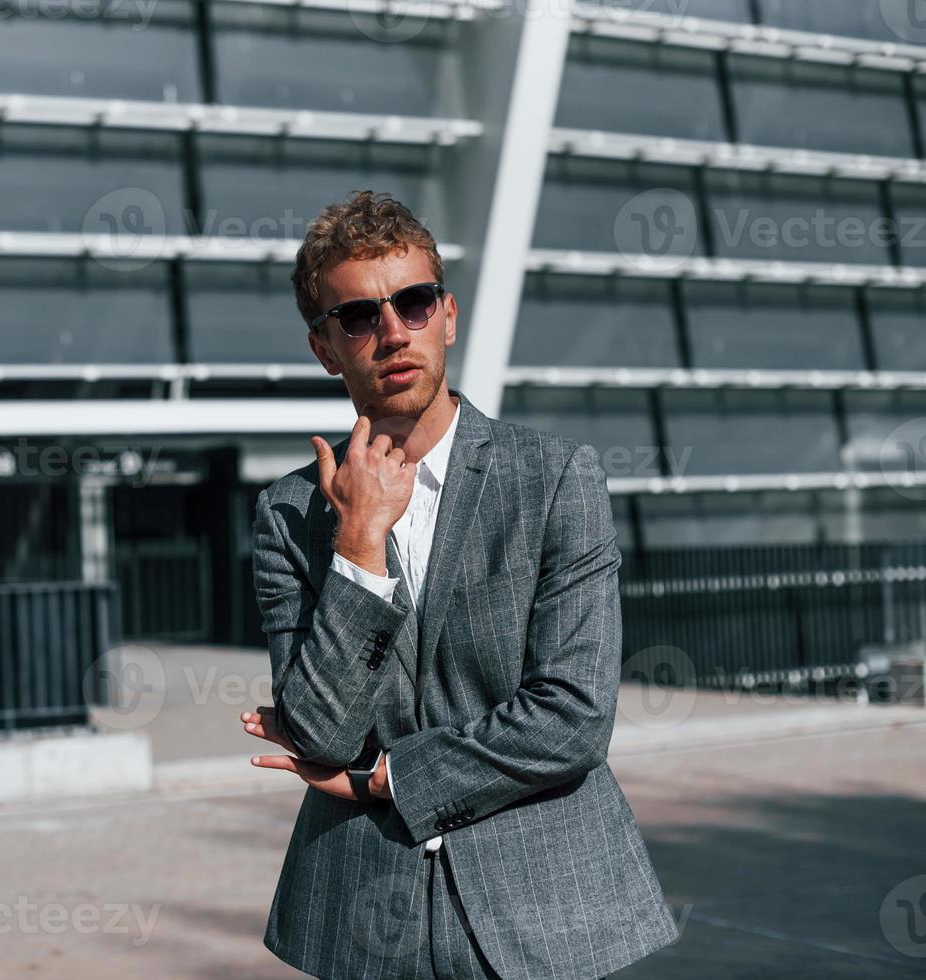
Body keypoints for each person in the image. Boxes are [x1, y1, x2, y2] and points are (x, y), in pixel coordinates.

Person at [241, 190, 679, 979]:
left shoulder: (554, 480)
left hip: (545, 913)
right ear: (324, 347)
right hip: (362, 917)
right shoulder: (288, 514)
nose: (391, 333)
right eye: (359, 317)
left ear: (447, 315)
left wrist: (387, 777)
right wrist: (358, 548)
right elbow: (319, 735)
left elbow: (573, 718)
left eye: (412, 304)